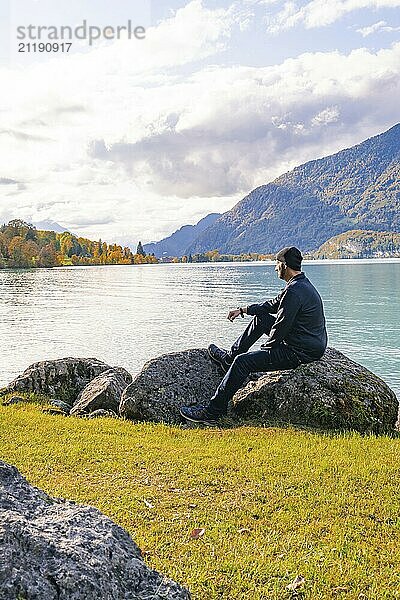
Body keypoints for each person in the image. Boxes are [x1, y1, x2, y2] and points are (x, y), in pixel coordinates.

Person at [180, 246, 327, 425]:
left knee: (243, 362)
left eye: (277, 263)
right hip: (304, 341)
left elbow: (281, 327)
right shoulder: (299, 285)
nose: (275, 268)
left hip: (300, 351)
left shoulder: (295, 291)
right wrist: (243, 310)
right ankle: (228, 359)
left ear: (284, 265)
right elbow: (272, 305)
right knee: (261, 319)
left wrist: (265, 352)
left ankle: (213, 411)